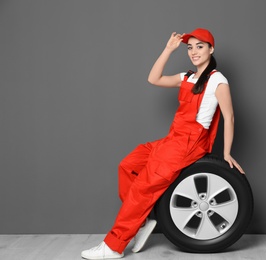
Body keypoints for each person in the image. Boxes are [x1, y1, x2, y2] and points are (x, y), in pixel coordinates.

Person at [81, 28, 244, 259]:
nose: (194, 52)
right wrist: (168, 49)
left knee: (143, 187)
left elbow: (229, 117)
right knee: (128, 166)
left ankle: (113, 246)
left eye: (200, 46)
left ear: (211, 49)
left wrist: (227, 152)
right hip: (173, 138)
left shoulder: (218, 80)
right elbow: (153, 78)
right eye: (190, 48)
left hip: (188, 142)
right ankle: (144, 221)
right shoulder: (187, 77)